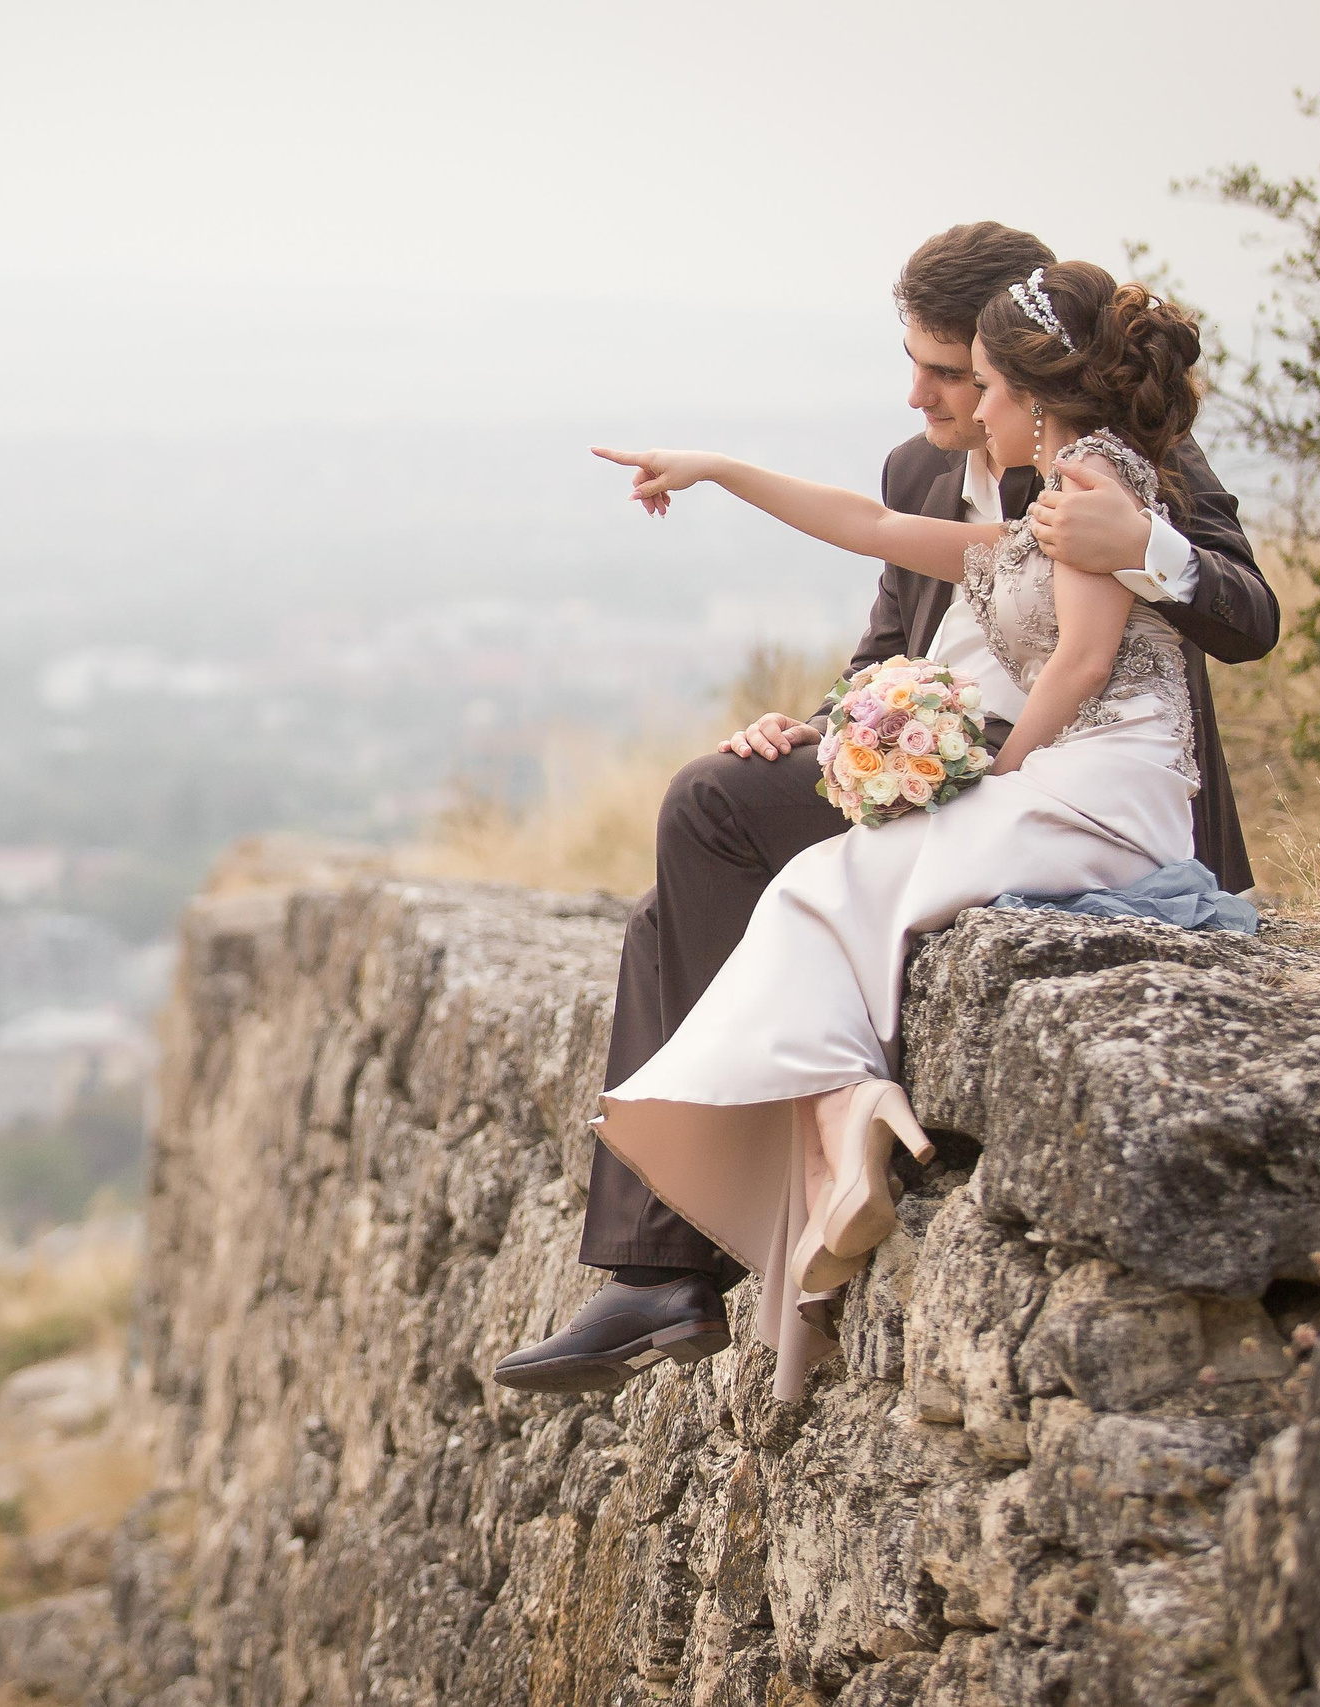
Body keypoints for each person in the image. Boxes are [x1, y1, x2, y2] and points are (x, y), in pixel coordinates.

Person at [491, 227, 1276, 1396]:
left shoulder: (1121, 463)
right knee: (708, 819)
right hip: (941, 763)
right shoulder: (919, 469)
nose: (922, 396)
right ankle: (675, 1260)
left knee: (705, 887)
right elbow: (883, 642)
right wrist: (817, 726)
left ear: (1016, 374)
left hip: (1064, 783)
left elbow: (1247, 617)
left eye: (952, 376)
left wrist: (1147, 546)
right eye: (913, 365)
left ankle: (697, 1241)